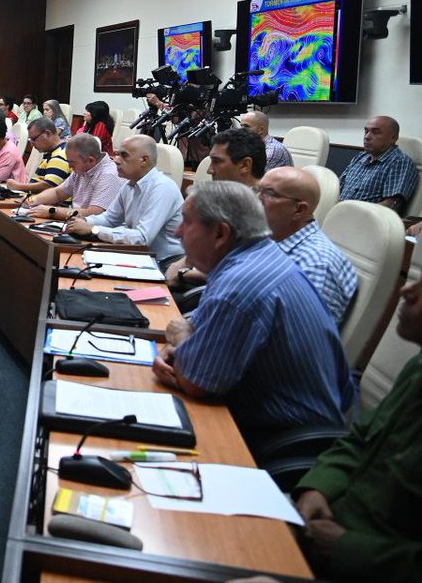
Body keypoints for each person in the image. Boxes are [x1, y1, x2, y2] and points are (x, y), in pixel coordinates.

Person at [153, 181, 355, 448]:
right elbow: (195, 328)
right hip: (262, 413)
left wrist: (181, 344)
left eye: (187, 222)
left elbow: (195, 381)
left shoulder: (239, 283)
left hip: (281, 438)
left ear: (220, 233)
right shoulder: (252, 258)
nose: (177, 231)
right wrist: (184, 346)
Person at [291, 277, 422, 582]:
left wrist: (345, 547)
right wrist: (317, 488)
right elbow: (360, 438)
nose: (406, 289)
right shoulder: (417, 368)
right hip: (320, 527)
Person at [66, 134, 185, 268]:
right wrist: (84, 221)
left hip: (166, 264)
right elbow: (110, 219)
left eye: (124, 155)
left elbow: (142, 238)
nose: (116, 160)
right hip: (142, 257)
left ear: (144, 160)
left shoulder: (162, 188)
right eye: (117, 154)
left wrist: (93, 229)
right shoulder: (129, 185)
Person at [259, 167, 358, 326]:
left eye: (268, 194)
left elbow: (297, 335)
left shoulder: (316, 266)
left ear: (299, 210)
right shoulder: (273, 237)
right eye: (257, 190)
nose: (256, 199)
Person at [20, 133, 123, 220]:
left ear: (91, 160)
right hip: (76, 222)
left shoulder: (108, 175)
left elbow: (94, 213)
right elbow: (58, 193)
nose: (69, 166)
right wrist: (34, 200)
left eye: (72, 162)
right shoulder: (82, 168)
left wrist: (53, 211)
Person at [339, 116, 418, 214]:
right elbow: (338, 189)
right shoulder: (360, 157)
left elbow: (391, 205)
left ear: (393, 138)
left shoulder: (399, 162)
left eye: (375, 132)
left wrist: (352, 213)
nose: (367, 137)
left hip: (365, 218)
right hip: (339, 213)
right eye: (366, 131)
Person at [5, 118, 71, 195]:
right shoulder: (52, 153)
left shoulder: (59, 155)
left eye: (33, 139)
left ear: (47, 134)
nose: (31, 144)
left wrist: (18, 186)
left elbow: (48, 185)